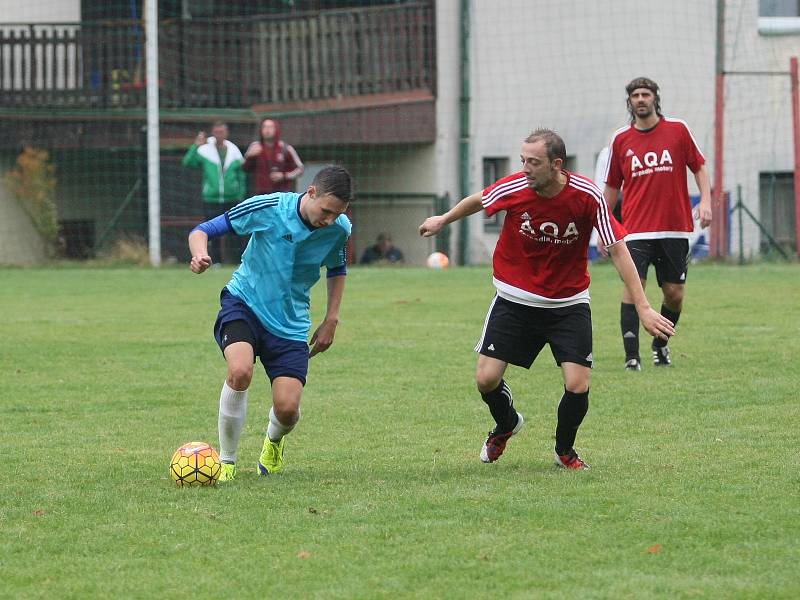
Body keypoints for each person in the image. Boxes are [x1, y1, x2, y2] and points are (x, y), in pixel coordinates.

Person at [419, 129, 674, 470]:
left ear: (556, 164)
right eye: (523, 160)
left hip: (567, 304)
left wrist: (643, 306)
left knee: (577, 383)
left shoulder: (587, 196)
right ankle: (507, 422)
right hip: (514, 299)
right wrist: (443, 219)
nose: (525, 168)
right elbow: (479, 200)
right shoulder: (515, 187)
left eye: (533, 162)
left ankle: (564, 450)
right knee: (485, 379)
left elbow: (616, 248)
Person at [188, 165, 354, 482]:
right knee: (239, 371)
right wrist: (199, 255)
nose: (329, 220)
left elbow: (337, 269)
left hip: (291, 322)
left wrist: (331, 318)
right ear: (311, 193)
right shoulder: (269, 207)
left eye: (337, 214)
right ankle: (226, 462)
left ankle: (273, 442)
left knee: (288, 409)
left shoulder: (339, 229)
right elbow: (203, 230)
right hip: (244, 304)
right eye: (326, 211)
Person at [601, 77, 712, 371]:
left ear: (655, 98)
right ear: (630, 102)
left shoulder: (677, 130)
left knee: (674, 295)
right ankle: (631, 357)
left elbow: (699, 166)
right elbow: (612, 186)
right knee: (632, 290)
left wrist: (706, 201)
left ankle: (660, 345)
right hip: (635, 231)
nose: (640, 99)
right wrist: (603, 224)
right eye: (635, 95)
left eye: (645, 94)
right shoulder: (620, 139)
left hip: (674, 228)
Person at [182, 122, 247, 263]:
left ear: (226, 132)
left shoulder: (234, 150)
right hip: (211, 198)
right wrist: (195, 146)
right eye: (216, 131)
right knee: (212, 232)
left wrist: (240, 193)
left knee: (235, 231)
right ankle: (216, 261)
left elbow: (241, 174)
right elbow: (188, 162)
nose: (219, 134)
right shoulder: (205, 150)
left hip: (232, 197)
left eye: (221, 131)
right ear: (212, 132)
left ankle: (237, 261)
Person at [243, 117, 304, 195]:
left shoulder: (285, 148)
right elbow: (244, 168)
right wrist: (249, 156)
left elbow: (300, 169)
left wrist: (284, 176)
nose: (267, 130)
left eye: (270, 127)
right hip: (260, 195)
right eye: (264, 127)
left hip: (281, 195)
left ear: (276, 129)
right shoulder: (255, 147)